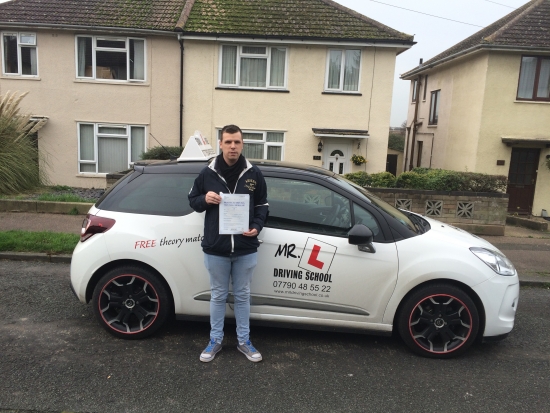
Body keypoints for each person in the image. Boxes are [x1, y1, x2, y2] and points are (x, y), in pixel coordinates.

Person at [188, 124, 268, 363]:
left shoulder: (254, 173)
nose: (233, 146)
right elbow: (192, 200)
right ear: (221, 144)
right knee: (218, 295)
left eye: (237, 142)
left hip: (245, 247)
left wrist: (257, 226)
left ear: (242, 144)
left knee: (243, 295)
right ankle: (215, 340)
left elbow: (262, 205)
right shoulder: (207, 173)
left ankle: (244, 341)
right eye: (228, 142)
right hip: (216, 247)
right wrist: (205, 198)